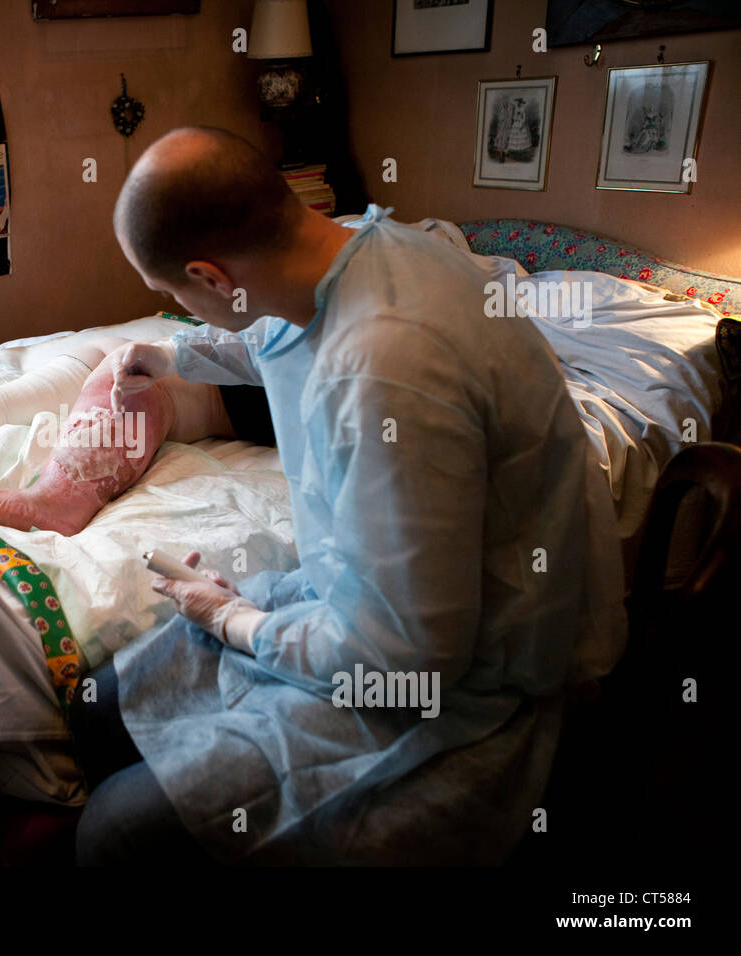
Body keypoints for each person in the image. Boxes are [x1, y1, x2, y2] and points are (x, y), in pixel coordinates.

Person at [71, 126, 627, 865]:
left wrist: (237, 620)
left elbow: (408, 663)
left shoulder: (385, 376)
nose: (179, 305)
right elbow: (281, 327)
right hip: (370, 604)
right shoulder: (383, 244)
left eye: (173, 295)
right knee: (98, 708)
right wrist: (169, 353)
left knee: (112, 833)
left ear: (208, 275)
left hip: (463, 686)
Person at [0, 328, 276, 536]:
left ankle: (57, 500)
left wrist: (170, 356)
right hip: (257, 375)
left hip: (268, 390)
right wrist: (170, 352)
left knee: (130, 369)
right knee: (109, 349)